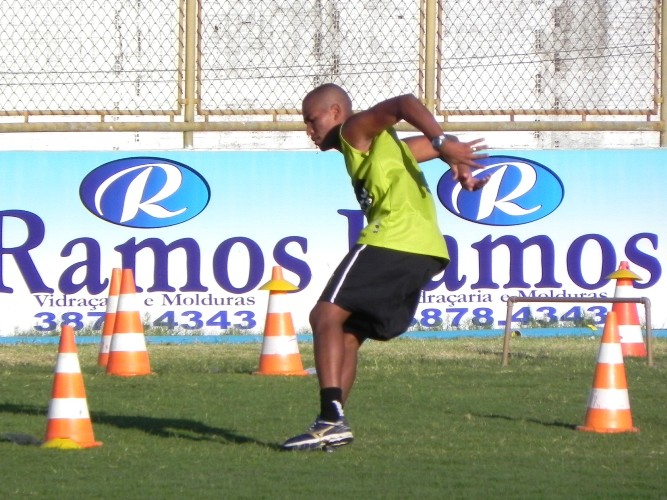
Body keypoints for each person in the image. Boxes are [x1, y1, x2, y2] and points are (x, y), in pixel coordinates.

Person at [281, 83, 489, 451]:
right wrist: (453, 158)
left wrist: (443, 145)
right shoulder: (383, 148)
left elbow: (404, 103)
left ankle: (329, 418)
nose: (309, 131)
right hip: (426, 251)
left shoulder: (353, 130)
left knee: (324, 316)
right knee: (347, 335)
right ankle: (332, 426)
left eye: (312, 121)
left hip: (392, 238)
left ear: (334, 113)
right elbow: (429, 146)